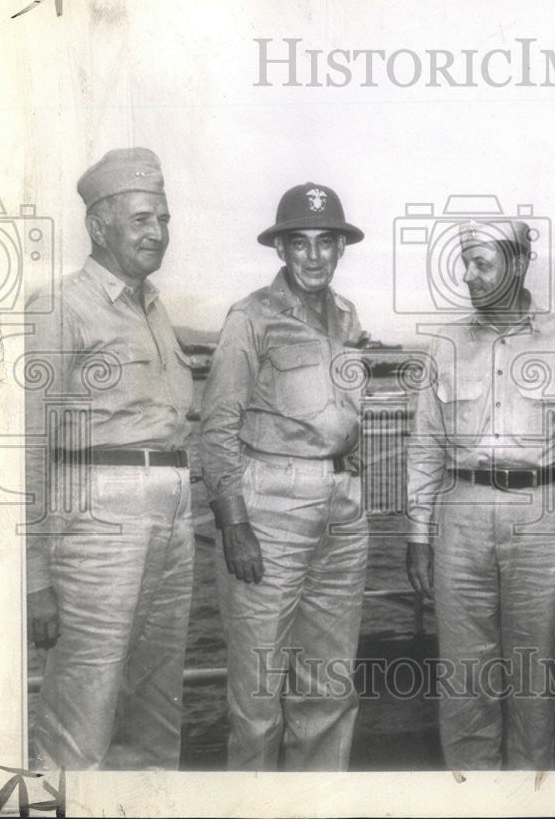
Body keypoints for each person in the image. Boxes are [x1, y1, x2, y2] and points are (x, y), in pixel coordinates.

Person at [406, 218, 555, 770]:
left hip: (543, 513)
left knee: (534, 671)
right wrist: (418, 536)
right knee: (463, 673)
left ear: (519, 265)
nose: (468, 275)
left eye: (483, 263)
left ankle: (529, 796)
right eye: (465, 262)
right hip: (462, 510)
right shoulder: (446, 343)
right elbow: (427, 445)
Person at [25, 148, 195, 770]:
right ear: (99, 227)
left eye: (164, 219)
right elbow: (27, 445)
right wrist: (35, 576)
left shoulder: (156, 309)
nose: (158, 233)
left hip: (173, 522)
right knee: (81, 712)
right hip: (97, 526)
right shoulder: (61, 308)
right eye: (143, 219)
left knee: (156, 705)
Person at [200, 183, 369, 770]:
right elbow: (217, 425)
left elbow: (342, 413)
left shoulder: (348, 317)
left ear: (341, 249)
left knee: (328, 688)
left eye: (327, 242)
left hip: (343, 509)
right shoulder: (251, 317)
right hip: (269, 510)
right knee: (257, 697)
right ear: (281, 250)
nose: (315, 256)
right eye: (301, 243)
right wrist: (233, 523)